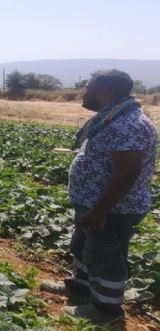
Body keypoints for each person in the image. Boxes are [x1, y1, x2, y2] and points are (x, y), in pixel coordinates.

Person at [41, 69, 157, 323]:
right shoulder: (113, 118)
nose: (83, 93)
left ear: (103, 93)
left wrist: (101, 210)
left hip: (113, 208)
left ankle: (106, 311)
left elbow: (128, 171)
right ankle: (81, 289)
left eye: (87, 88)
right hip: (93, 202)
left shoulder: (127, 124)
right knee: (84, 248)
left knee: (105, 257)